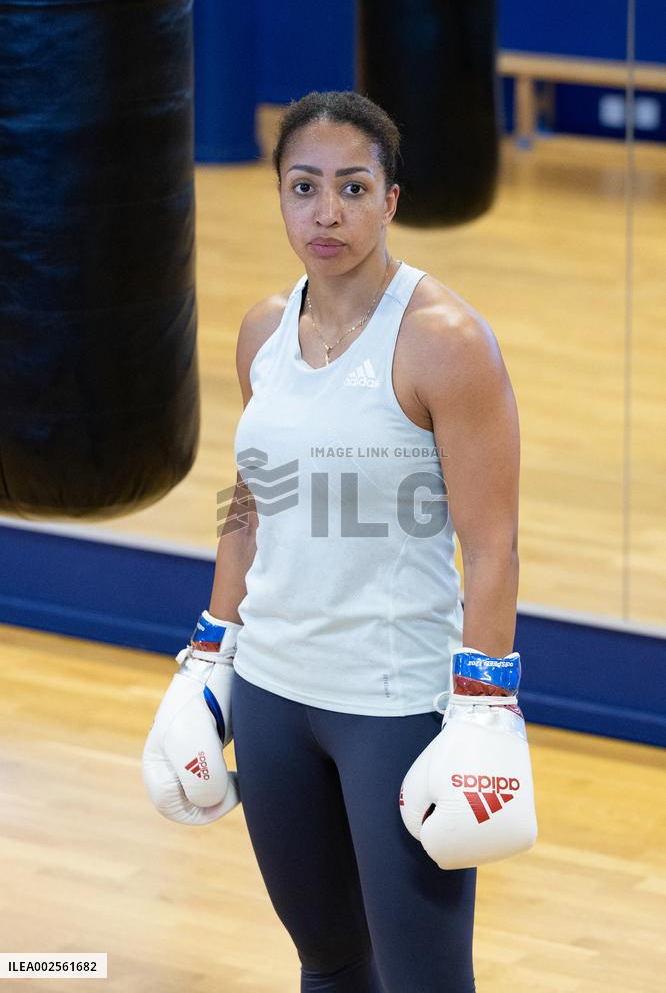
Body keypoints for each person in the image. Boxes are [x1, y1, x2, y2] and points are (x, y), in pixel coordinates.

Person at [144, 90, 521, 992]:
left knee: (422, 976)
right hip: (274, 698)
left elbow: (494, 544)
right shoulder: (264, 334)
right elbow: (251, 498)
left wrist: (483, 706)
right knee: (328, 962)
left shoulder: (444, 341)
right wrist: (207, 653)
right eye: (304, 188)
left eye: (353, 188)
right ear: (278, 196)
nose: (327, 213)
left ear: (390, 198)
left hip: (391, 706)